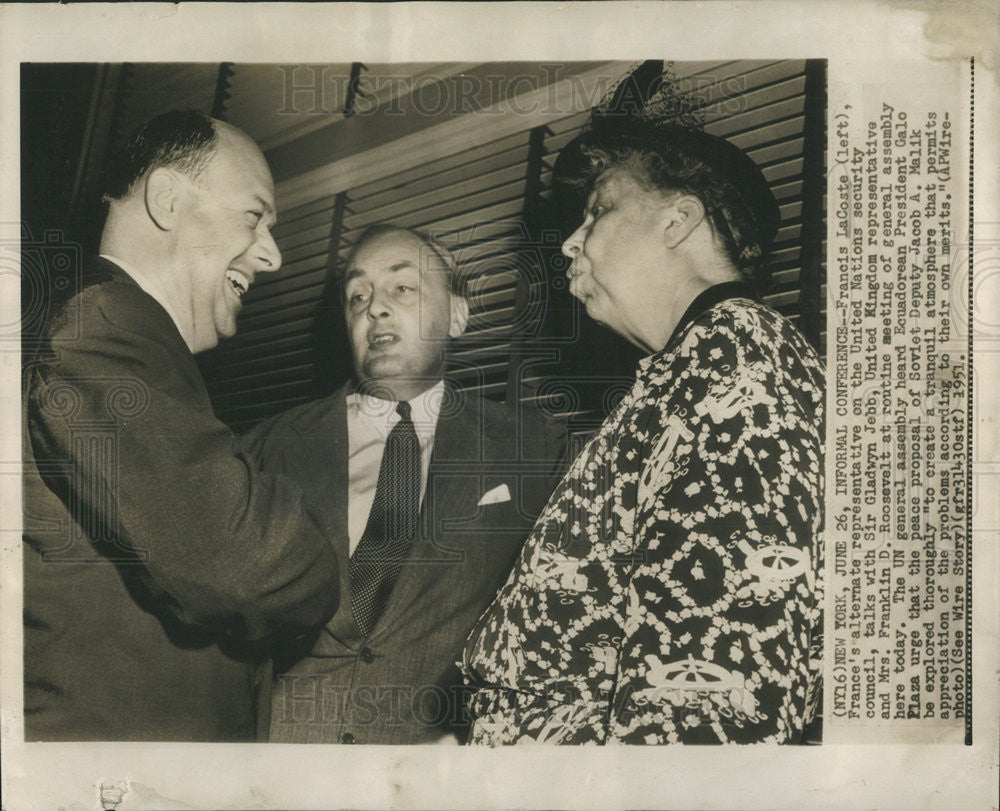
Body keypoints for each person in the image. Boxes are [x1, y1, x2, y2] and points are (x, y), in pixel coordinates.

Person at [461, 121, 825, 744]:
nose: (569, 244)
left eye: (599, 210)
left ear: (677, 220)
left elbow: (708, 695)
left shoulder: (737, 359)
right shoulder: (688, 371)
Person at [22, 111, 341, 742]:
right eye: (255, 218)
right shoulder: (106, 324)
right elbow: (247, 563)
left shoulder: (118, 333)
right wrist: (315, 555)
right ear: (168, 200)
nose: (274, 256)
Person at [241, 224, 566, 744]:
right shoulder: (266, 448)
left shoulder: (534, 449)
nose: (375, 308)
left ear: (457, 315)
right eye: (357, 295)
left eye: (402, 288)